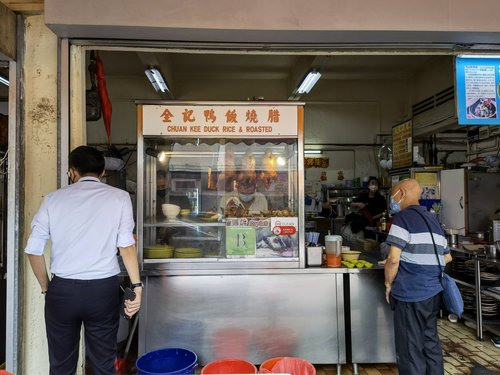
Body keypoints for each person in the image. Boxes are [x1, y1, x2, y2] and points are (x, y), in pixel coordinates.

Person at [25, 146, 142, 375]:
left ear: (72, 172)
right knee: (102, 364)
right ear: (103, 172)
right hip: (102, 291)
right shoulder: (119, 198)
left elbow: (33, 250)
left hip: (63, 291)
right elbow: (126, 246)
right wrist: (137, 286)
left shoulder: (53, 199)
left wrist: (47, 287)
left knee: (61, 366)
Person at [384, 178, 452, 375]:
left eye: (393, 196)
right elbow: (447, 257)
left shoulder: (402, 219)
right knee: (430, 343)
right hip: (433, 293)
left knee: (410, 347)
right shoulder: (433, 220)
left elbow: (393, 259)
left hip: (410, 293)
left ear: (402, 194)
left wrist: (389, 284)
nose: (392, 201)